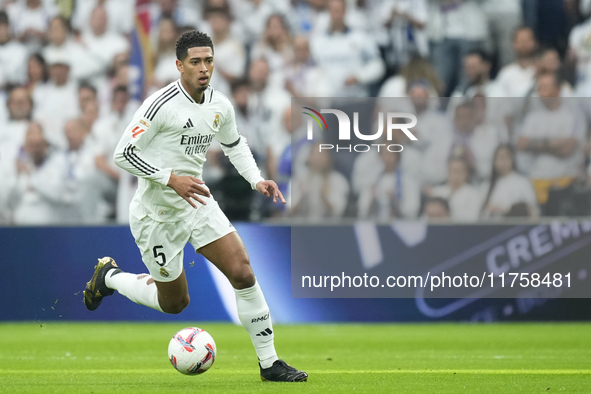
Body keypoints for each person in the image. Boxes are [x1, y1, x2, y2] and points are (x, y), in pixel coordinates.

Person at [83, 30, 307, 382]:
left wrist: (256, 179)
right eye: (196, 62)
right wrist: (169, 178)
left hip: (198, 204)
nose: (204, 68)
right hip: (156, 215)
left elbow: (234, 144)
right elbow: (123, 154)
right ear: (179, 65)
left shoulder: (220, 105)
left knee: (243, 272)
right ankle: (110, 277)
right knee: (175, 303)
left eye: (209, 61)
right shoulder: (159, 105)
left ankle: (270, 363)